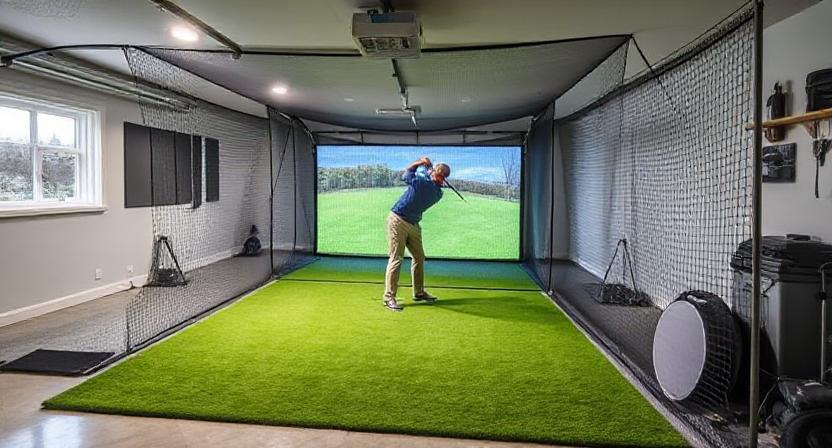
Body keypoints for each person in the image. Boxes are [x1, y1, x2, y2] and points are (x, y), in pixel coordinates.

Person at [383, 157, 451, 311]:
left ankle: (418, 293)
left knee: (417, 257)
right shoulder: (438, 192)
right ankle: (389, 297)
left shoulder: (424, 185)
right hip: (398, 220)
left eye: (437, 174)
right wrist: (430, 170)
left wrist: (420, 162)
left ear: (440, 177)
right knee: (396, 258)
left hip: (411, 223)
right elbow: (427, 177)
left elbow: (406, 174)